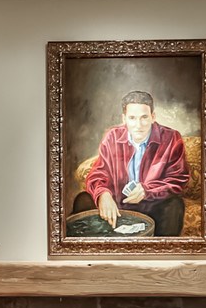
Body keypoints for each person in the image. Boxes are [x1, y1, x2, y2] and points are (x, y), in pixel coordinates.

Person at [73, 90, 190, 237]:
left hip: (153, 204)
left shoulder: (171, 138)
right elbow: (99, 172)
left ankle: (159, 255)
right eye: (132, 118)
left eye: (144, 117)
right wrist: (103, 194)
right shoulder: (112, 137)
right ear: (124, 119)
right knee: (83, 200)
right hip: (118, 204)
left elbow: (178, 179)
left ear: (153, 117)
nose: (138, 125)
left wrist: (147, 191)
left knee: (175, 205)